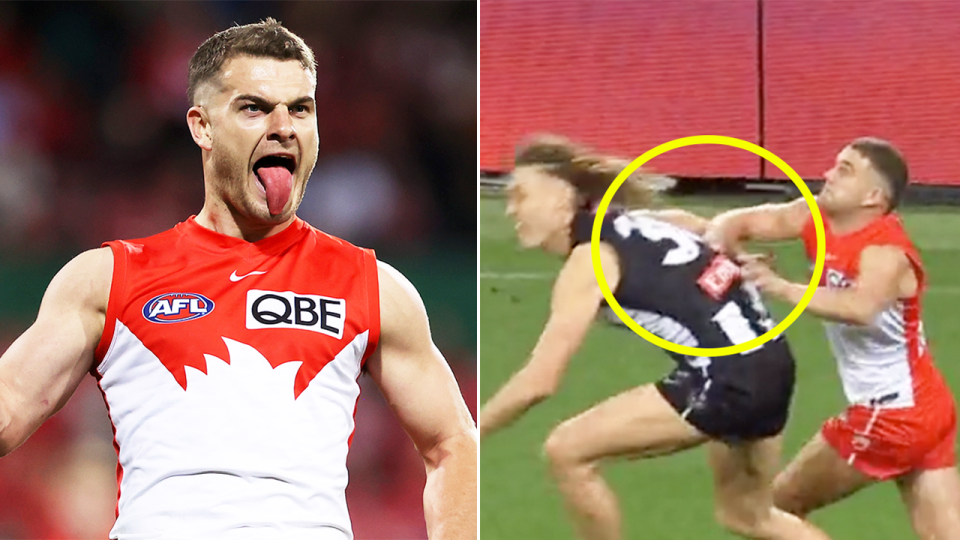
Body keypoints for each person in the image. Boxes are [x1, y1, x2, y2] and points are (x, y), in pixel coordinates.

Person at [0, 19, 477, 540]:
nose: (284, 126)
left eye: (301, 109)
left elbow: (454, 443)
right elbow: (8, 409)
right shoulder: (108, 278)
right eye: (255, 108)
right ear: (201, 126)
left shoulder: (372, 286)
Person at [478, 135, 831, 540]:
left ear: (563, 200)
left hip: (728, 380)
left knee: (567, 452)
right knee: (748, 515)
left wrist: (471, 433)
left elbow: (540, 381)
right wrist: (730, 259)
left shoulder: (590, 262)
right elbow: (709, 230)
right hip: (772, 363)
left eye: (521, 196)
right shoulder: (644, 221)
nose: (511, 209)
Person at [706, 137, 960, 540]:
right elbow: (732, 223)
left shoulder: (884, 251)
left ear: (873, 196)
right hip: (925, 405)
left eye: (846, 170)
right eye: (834, 164)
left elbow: (861, 307)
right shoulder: (815, 217)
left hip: (890, 416)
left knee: (771, 510)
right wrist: (731, 251)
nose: (827, 175)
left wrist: (781, 286)